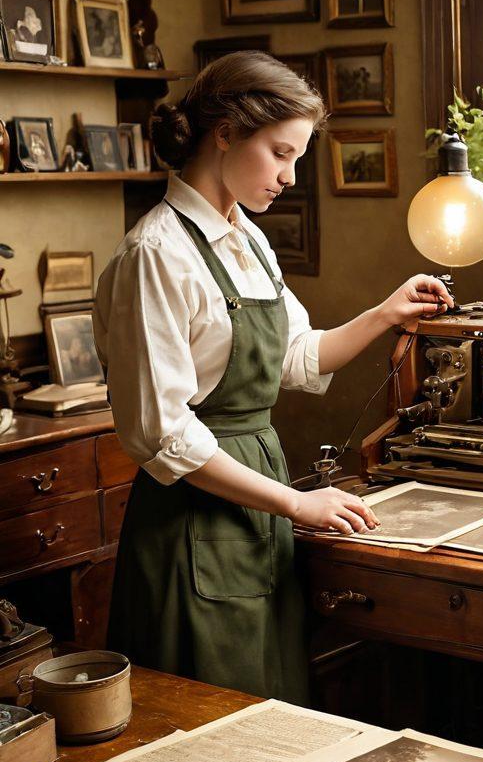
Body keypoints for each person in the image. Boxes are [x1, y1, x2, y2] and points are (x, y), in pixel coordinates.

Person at [93, 51, 453, 704]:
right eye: (280, 154)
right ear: (225, 132)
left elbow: (296, 356)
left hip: (257, 500)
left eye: (297, 159)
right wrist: (295, 503)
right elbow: (162, 433)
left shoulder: (249, 241)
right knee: (204, 712)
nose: (289, 177)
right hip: (191, 517)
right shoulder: (156, 254)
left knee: (271, 708)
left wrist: (384, 313)